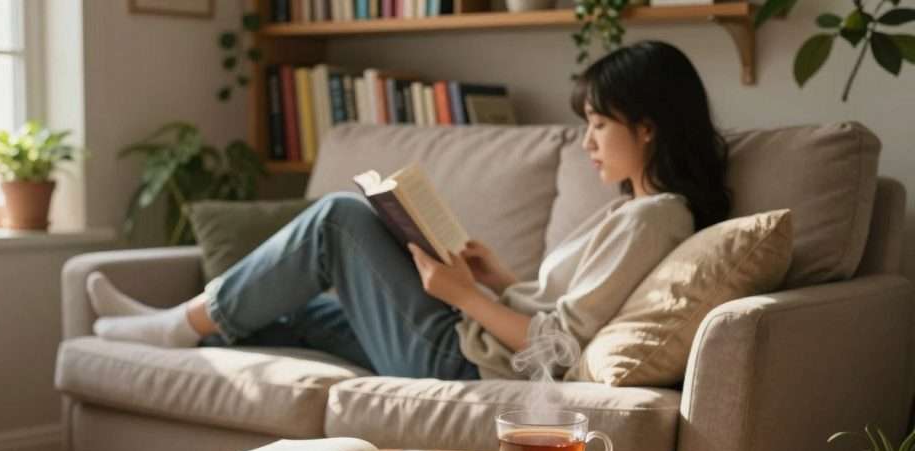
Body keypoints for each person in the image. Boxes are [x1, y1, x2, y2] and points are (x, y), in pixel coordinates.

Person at [89, 40, 730, 381]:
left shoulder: (655, 218)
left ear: (646, 128)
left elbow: (563, 346)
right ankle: (179, 333)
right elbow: (565, 308)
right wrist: (498, 279)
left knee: (338, 218)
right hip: (474, 342)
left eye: (597, 124)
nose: (586, 141)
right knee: (309, 311)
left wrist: (462, 297)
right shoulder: (637, 212)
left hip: (466, 365)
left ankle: (175, 325)